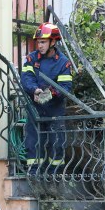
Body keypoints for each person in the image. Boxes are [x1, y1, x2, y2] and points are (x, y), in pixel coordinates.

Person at [19, 22, 75, 177]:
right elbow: (26, 78)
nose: (39, 45)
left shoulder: (63, 62)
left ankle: (54, 174)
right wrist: (34, 90)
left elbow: (64, 87)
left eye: (43, 42)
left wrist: (46, 95)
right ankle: (34, 172)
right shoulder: (31, 58)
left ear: (53, 42)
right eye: (38, 42)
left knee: (56, 143)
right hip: (35, 108)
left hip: (54, 109)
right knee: (33, 141)